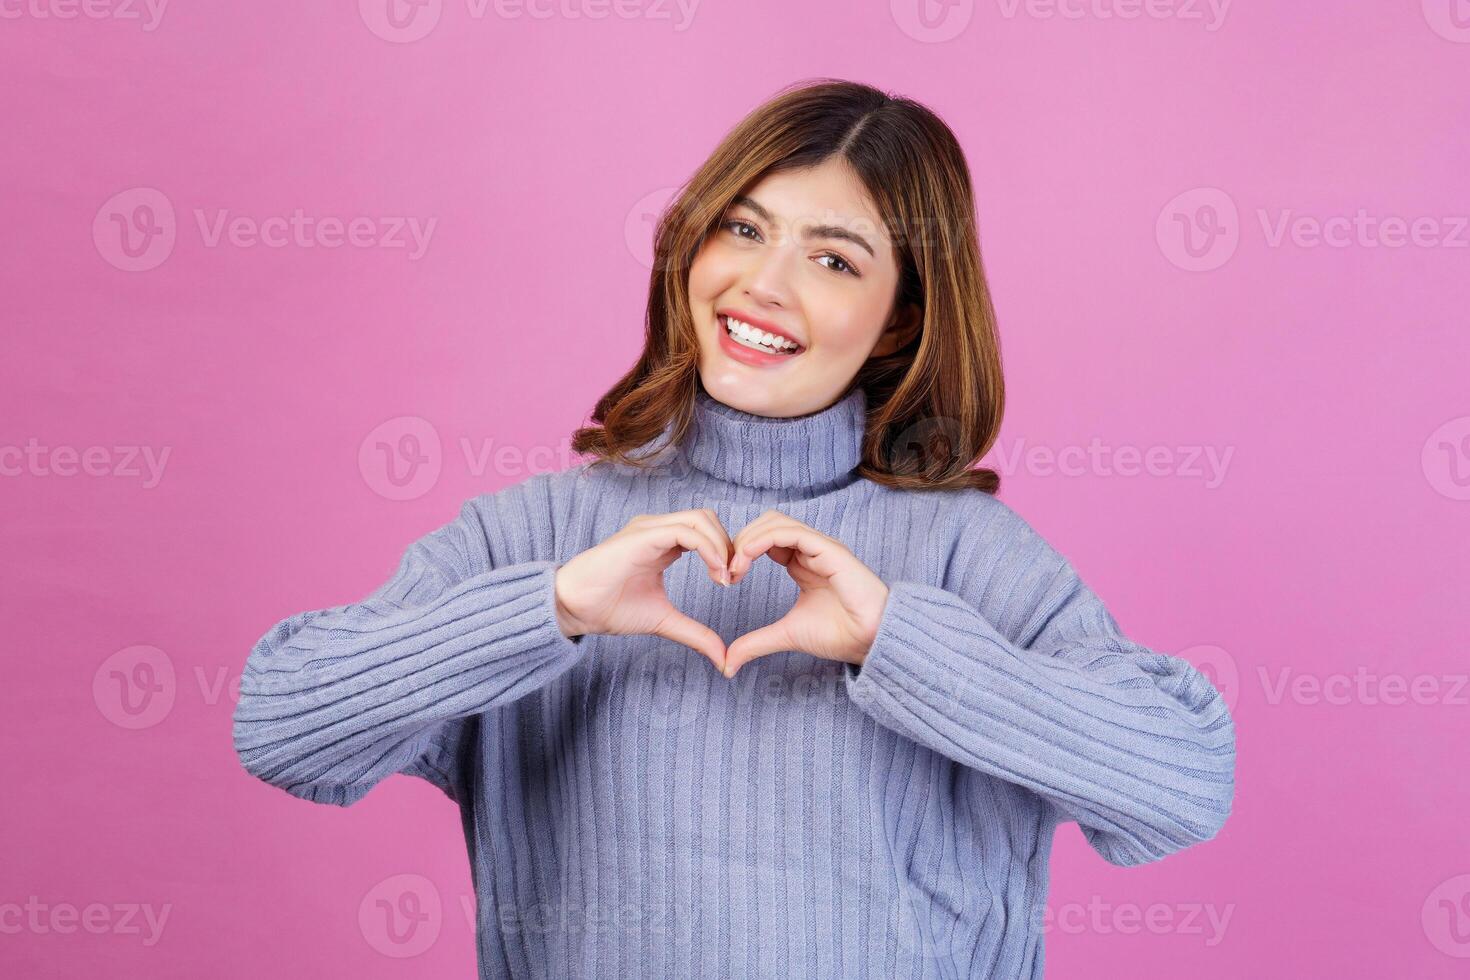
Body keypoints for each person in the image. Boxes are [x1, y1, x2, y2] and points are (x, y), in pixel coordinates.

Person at [232, 78, 1236, 979]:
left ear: (898, 320)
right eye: (744, 230)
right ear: (692, 244)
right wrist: (554, 607)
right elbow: (281, 725)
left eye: (835, 259)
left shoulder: (967, 554)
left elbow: (1185, 781)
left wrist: (902, 639)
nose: (764, 283)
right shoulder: (536, 535)